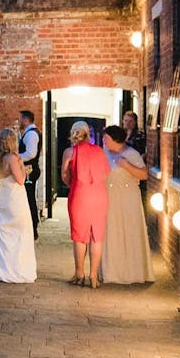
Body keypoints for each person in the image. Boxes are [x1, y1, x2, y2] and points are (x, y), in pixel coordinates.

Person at [101, 126, 154, 284]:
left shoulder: (131, 154)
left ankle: (131, 271)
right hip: (109, 196)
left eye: (106, 138)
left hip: (128, 197)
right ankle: (111, 270)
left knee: (128, 230)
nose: (104, 141)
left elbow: (144, 175)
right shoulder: (104, 153)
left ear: (116, 139)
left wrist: (126, 166)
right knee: (112, 230)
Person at [61, 120, 110, 289]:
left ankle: (79, 272)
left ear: (73, 134)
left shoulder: (70, 151)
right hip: (99, 195)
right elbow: (106, 173)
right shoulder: (100, 151)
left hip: (80, 194)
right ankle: (94, 276)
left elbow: (65, 175)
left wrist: (74, 184)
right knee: (97, 235)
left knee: (79, 235)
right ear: (88, 134)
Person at [0, 129, 37, 283]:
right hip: (16, 198)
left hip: (4, 197)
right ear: (13, 141)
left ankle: (4, 269)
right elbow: (21, 179)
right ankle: (19, 270)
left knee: (6, 232)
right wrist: (22, 166)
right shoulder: (13, 158)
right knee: (22, 233)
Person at [18, 110, 42, 240]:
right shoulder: (30, 132)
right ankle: (32, 227)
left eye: (20, 119)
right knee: (29, 198)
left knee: (29, 199)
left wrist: (16, 157)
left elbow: (31, 154)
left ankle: (33, 228)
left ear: (26, 120)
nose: (19, 121)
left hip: (30, 170)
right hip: (29, 169)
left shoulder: (31, 134)